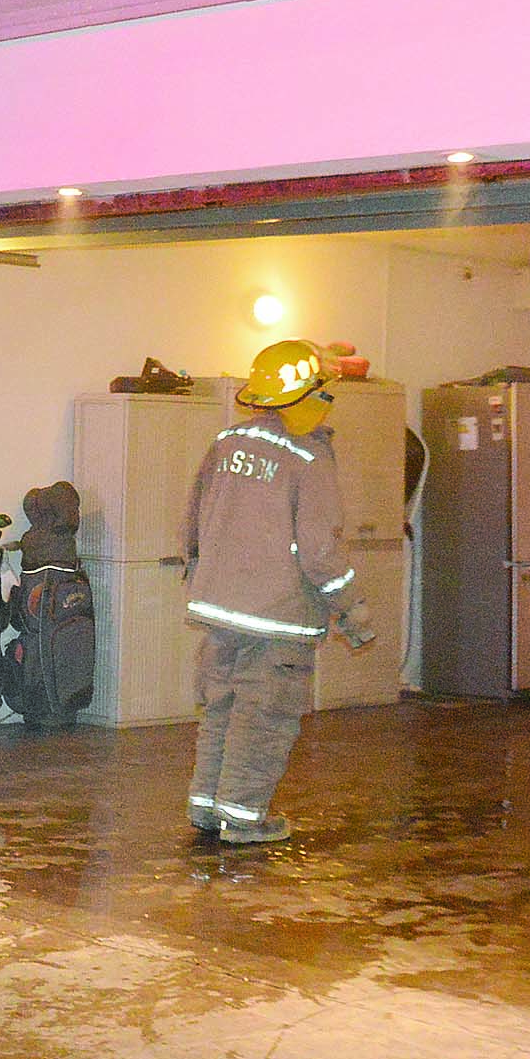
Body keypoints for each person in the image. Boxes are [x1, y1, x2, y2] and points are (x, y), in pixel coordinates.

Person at [182, 338, 375, 845]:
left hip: (220, 612)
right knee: (263, 718)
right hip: (278, 619)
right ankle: (244, 821)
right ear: (312, 399)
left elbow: (193, 523)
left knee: (221, 711)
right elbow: (320, 550)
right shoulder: (307, 458)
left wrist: (203, 576)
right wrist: (352, 611)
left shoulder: (225, 443)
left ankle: (207, 808)